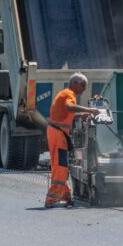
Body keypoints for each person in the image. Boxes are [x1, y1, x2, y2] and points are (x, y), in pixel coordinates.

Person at [44, 72, 99, 208]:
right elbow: (69, 107)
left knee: (61, 165)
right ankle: (51, 199)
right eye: (83, 86)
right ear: (75, 83)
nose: (84, 90)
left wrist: (82, 115)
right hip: (58, 134)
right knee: (60, 167)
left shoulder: (64, 93)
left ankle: (66, 196)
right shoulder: (69, 94)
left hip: (57, 132)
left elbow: (67, 113)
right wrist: (90, 110)